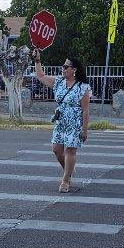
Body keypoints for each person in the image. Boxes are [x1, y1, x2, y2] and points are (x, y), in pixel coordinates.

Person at [33, 50, 91, 192]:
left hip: (75, 123)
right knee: (57, 150)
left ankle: (65, 180)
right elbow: (40, 76)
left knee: (70, 150)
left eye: (66, 67)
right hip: (60, 122)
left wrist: (84, 129)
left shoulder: (82, 87)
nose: (63, 69)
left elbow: (86, 110)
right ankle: (68, 170)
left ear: (74, 70)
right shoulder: (58, 82)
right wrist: (37, 61)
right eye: (63, 66)